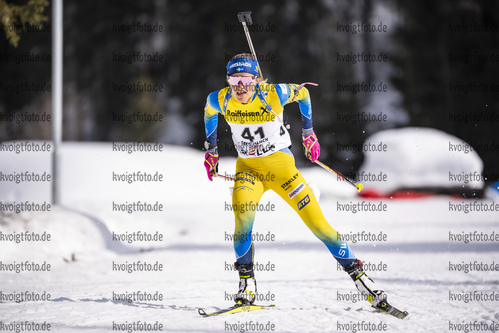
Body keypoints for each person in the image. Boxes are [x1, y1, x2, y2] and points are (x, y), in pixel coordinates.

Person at [203, 53, 386, 309]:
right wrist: (211, 149)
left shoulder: (273, 94)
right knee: (242, 222)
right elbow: (209, 111)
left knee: (319, 225)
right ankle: (247, 283)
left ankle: (361, 279)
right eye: (234, 81)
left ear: (256, 79)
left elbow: (303, 93)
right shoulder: (220, 98)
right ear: (228, 81)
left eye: (245, 80)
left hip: (283, 171)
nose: (240, 87)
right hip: (248, 171)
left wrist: (309, 132)